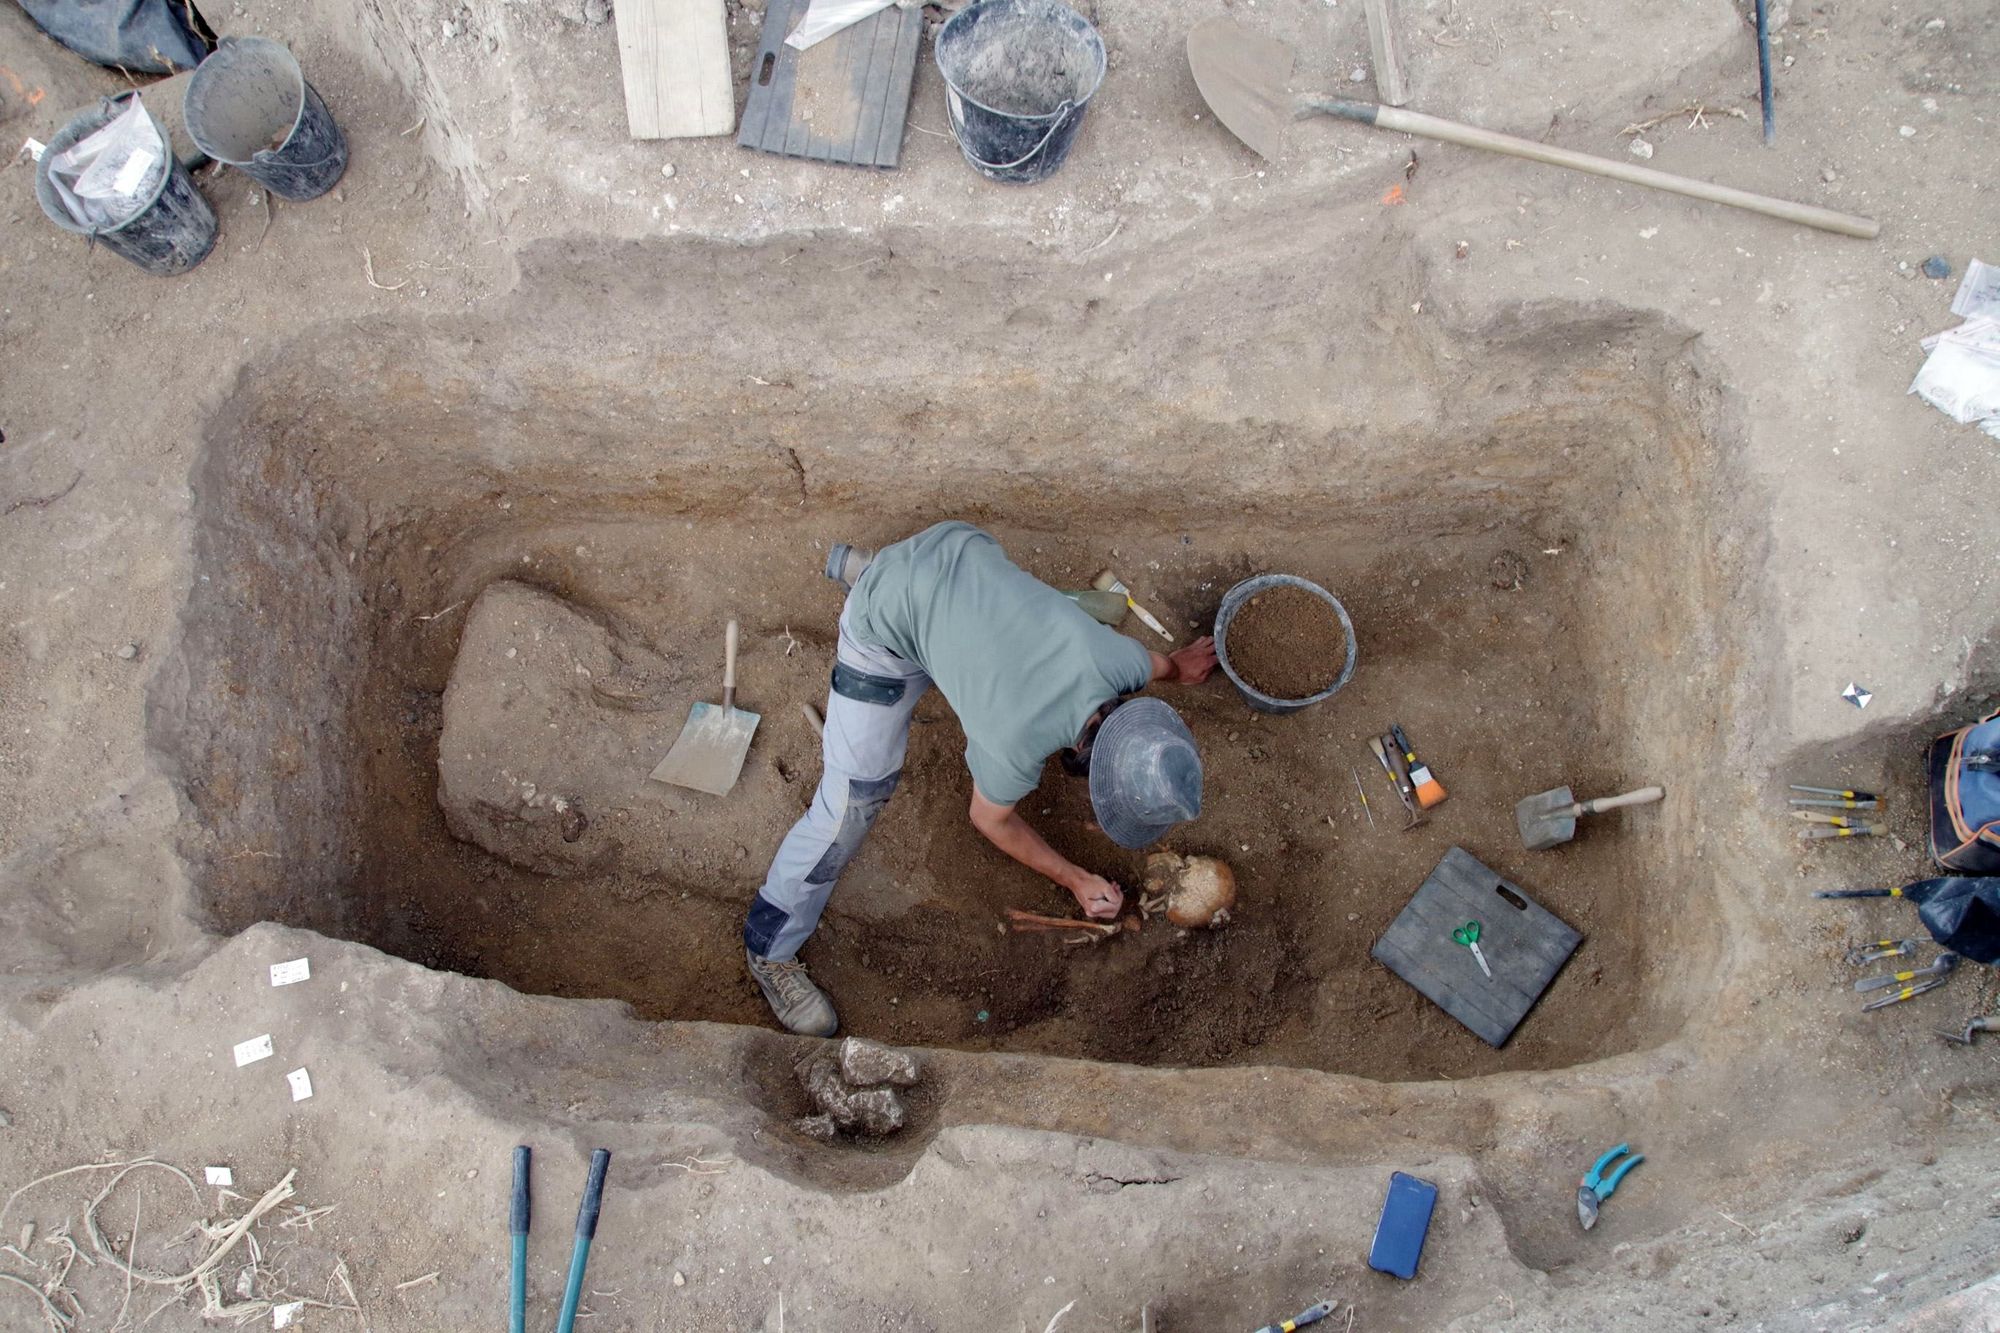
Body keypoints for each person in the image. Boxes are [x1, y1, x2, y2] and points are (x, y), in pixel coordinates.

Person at [743, 521, 1219, 1036]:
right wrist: (1075, 879)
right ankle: (769, 950)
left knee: (1018, 613)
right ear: (1082, 764)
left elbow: (1162, 666)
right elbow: (990, 820)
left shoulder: (1118, 657)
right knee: (852, 803)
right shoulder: (1013, 745)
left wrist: (1179, 665)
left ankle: (888, 571)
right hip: (881, 631)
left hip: (957, 544)